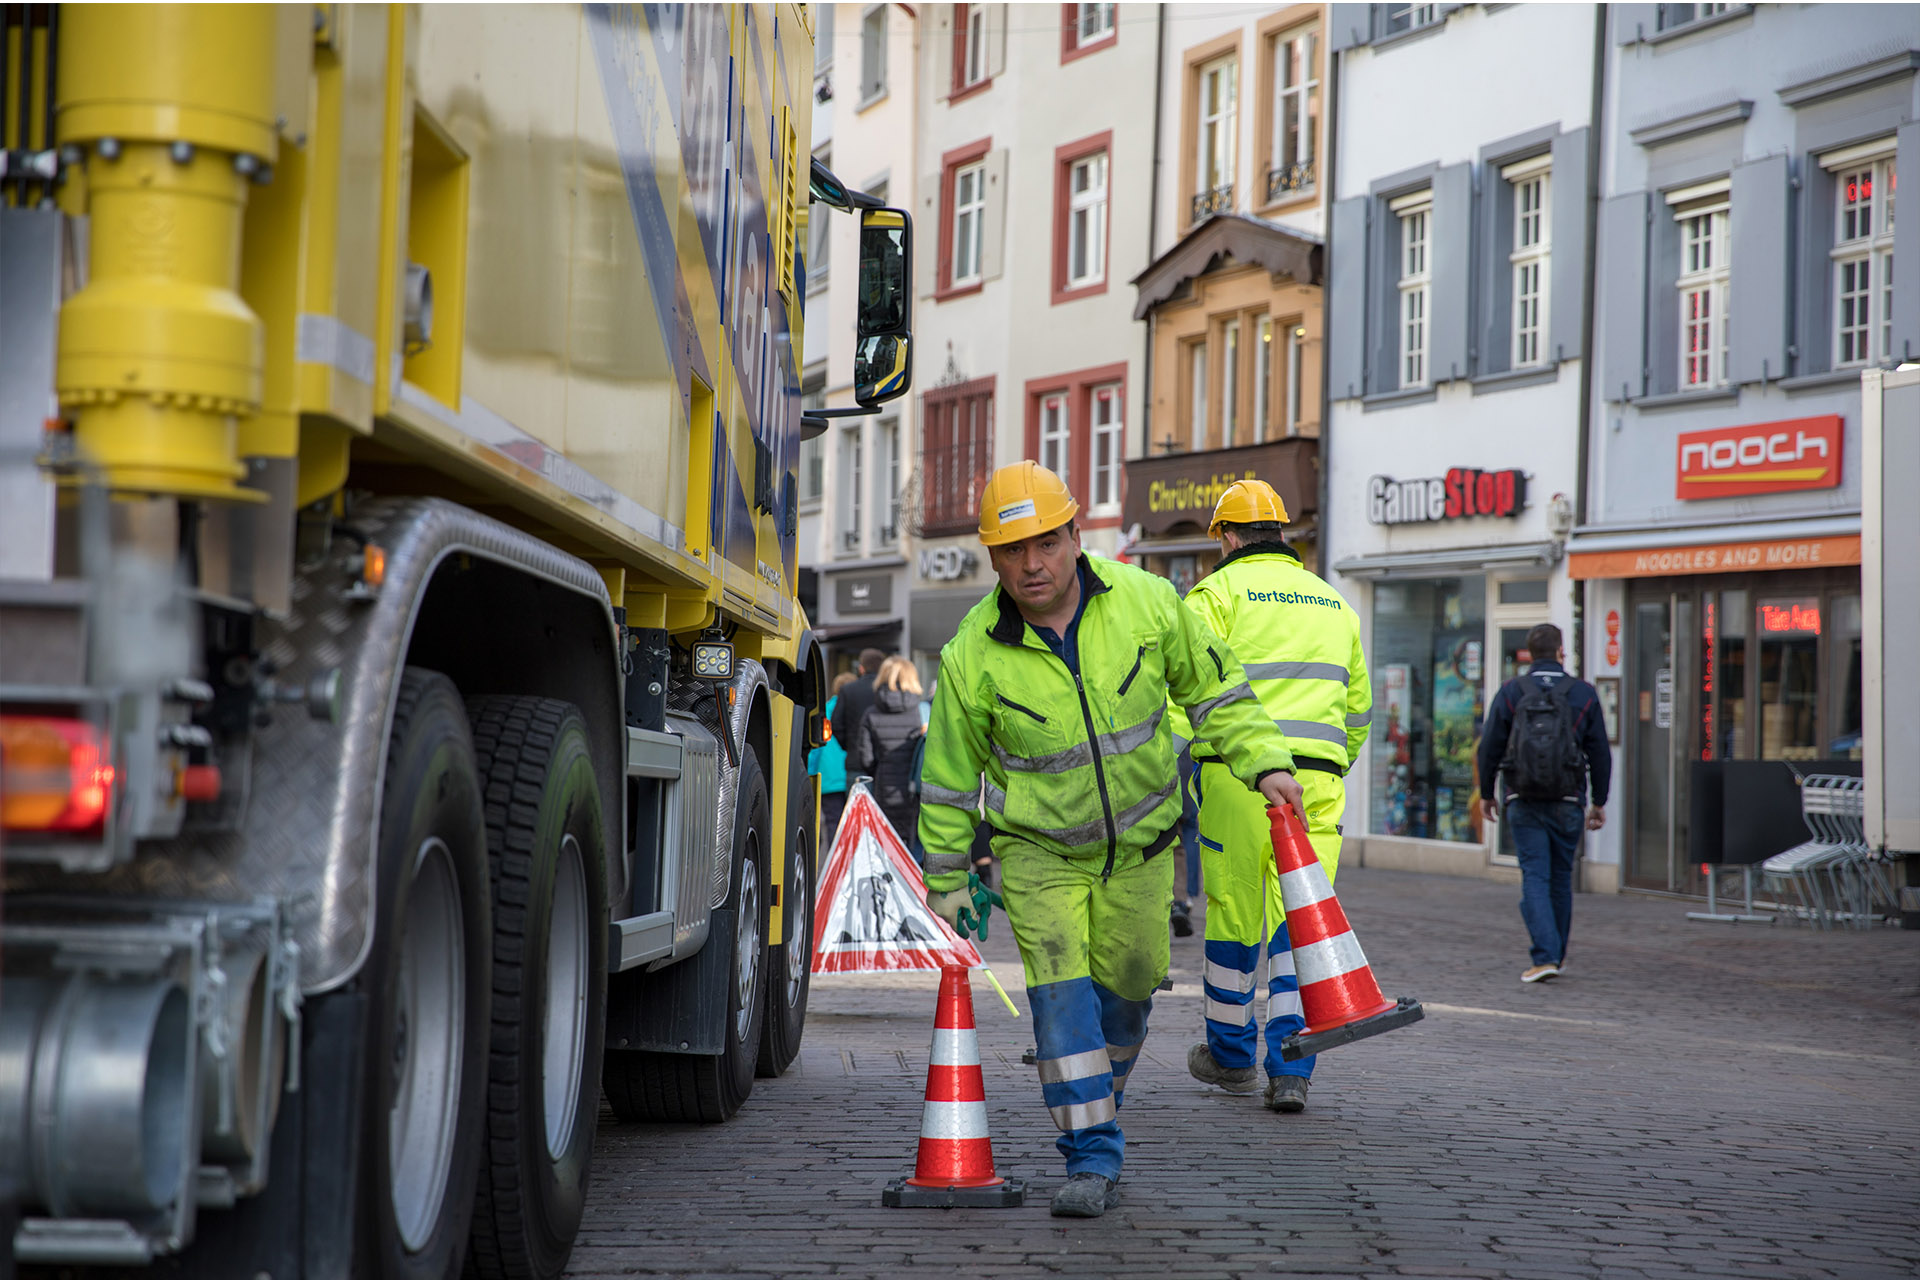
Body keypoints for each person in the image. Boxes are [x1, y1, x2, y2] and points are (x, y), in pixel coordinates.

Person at [916, 461, 1304, 1219]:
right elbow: (950, 778)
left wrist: (1266, 763)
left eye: (1046, 543)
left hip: (1143, 849)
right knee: (1061, 1000)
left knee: (1129, 990)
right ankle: (1091, 1153)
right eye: (1013, 550)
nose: (1033, 564)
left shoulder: (1148, 603)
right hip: (1038, 853)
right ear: (992, 559)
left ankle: (1100, 1095)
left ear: (1075, 537)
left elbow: (1217, 693)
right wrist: (948, 877)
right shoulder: (971, 655)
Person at [1177, 479, 1370, 1116]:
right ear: (1282, 533)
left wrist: (1168, 768)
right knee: (1302, 927)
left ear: (1227, 538)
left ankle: (1231, 1057)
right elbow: (1358, 712)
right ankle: (1291, 1069)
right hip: (1319, 786)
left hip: (1237, 781)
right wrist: (1331, 766)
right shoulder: (1335, 603)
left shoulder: (1216, 595)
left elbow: (1188, 691)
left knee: (1235, 919)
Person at [1476, 622, 1611, 984]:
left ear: (1529, 654)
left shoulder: (1512, 691)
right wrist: (1599, 801)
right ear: (1561, 652)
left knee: (1535, 875)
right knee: (1561, 878)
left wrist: (1487, 793)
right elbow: (1599, 751)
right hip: (1568, 800)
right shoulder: (1583, 693)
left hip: (1523, 798)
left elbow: (1489, 747)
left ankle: (1545, 957)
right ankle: (1555, 956)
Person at [852, 656, 927, 860]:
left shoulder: (870, 713)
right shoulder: (922, 711)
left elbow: (865, 758)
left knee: (887, 846)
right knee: (916, 845)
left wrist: (880, 770)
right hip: (917, 790)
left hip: (885, 788)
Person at [813, 671, 857, 854]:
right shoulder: (856, 711)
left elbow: (816, 748)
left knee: (833, 823)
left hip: (828, 777)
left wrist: (811, 773)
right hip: (852, 774)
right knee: (854, 821)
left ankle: (836, 859)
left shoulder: (823, 711)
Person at [829, 647, 887, 761]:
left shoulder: (848, 690)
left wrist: (849, 746)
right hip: (884, 758)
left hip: (856, 756)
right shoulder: (890, 690)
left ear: (861, 668)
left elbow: (836, 723)